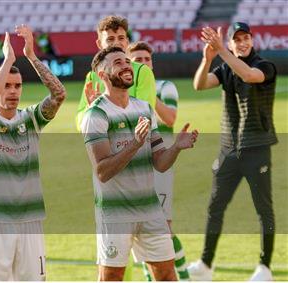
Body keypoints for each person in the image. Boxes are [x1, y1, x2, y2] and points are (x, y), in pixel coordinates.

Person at [81, 46, 198, 281]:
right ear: (103, 75)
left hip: (150, 210)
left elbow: (160, 163)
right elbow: (103, 171)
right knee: (112, 277)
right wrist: (134, 143)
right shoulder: (96, 115)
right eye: (118, 63)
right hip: (115, 214)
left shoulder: (144, 108)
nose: (126, 65)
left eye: (127, 61)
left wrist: (175, 147)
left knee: (167, 275)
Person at [0, 25, 66, 281]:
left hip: (30, 221)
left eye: (17, 86)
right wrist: (7, 61)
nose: (12, 91)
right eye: (6, 85)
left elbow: (59, 95)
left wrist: (31, 56)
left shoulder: (31, 119)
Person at [188, 22, 277, 281]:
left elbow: (249, 75)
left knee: (263, 209)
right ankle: (205, 265)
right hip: (229, 150)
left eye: (245, 38)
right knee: (215, 206)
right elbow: (200, 85)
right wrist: (207, 59)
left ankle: (265, 268)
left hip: (257, 148)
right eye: (236, 39)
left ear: (252, 40)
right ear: (230, 43)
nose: (242, 43)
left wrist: (222, 51)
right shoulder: (225, 68)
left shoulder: (265, 66)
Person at [128, 41, 190, 281]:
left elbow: (171, 118)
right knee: (139, 232)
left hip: (160, 164)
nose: (143, 63)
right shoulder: (125, 92)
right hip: (133, 166)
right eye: (138, 60)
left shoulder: (165, 87)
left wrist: (148, 91)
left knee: (164, 228)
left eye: (147, 59)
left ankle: (184, 277)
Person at [75, 15, 157, 131]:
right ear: (99, 44)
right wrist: (91, 108)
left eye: (121, 38)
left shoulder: (142, 71)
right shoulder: (92, 76)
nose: (117, 43)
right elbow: (80, 124)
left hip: (135, 145)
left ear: (127, 42)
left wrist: (102, 111)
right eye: (110, 39)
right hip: (103, 145)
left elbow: (145, 117)